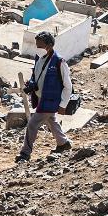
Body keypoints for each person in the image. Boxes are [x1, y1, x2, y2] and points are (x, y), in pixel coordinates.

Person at [16, 31, 72, 162]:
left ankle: (25, 153)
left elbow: (68, 86)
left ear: (50, 45)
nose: (38, 49)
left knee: (32, 124)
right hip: (41, 98)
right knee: (51, 120)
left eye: (40, 46)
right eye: (37, 46)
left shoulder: (59, 62)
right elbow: (35, 77)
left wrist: (63, 105)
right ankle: (63, 143)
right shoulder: (39, 60)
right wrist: (31, 85)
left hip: (50, 100)